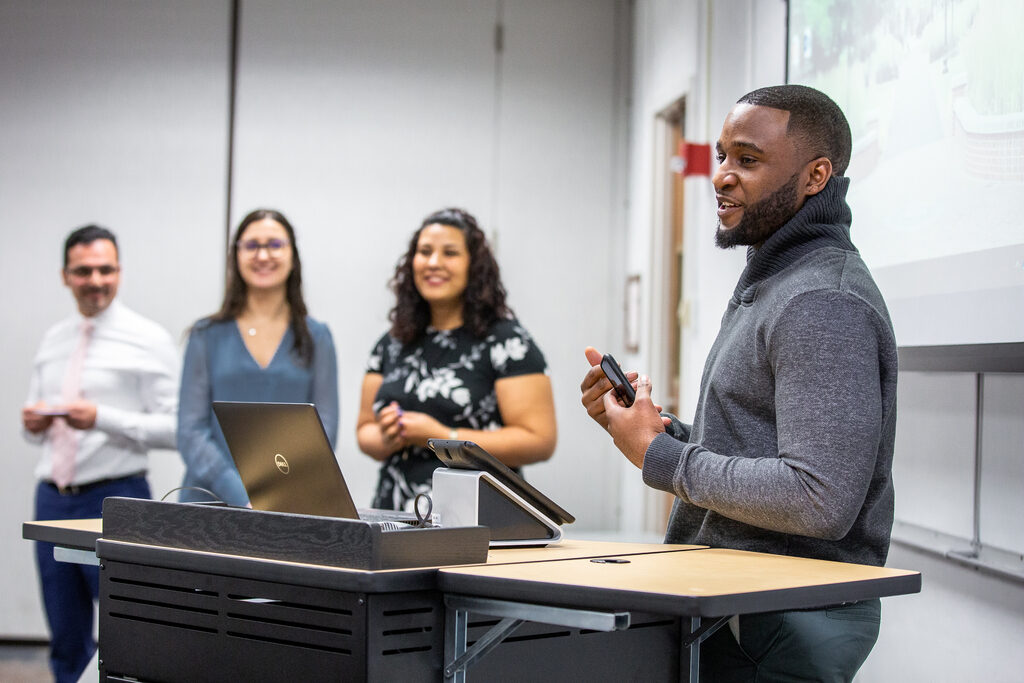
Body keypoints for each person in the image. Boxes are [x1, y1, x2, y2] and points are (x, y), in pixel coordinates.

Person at [580, 85, 897, 681]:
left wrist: (664, 458)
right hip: (751, 606)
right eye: (722, 157)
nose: (723, 177)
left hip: (780, 619)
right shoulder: (780, 280)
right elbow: (764, 447)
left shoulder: (822, 299)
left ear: (815, 175)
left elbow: (818, 497)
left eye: (747, 160)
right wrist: (659, 431)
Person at [21, 225, 178, 683]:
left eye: (105, 269)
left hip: (117, 497)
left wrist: (101, 418)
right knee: (65, 635)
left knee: (127, 634)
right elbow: (37, 424)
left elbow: (175, 429)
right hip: (52, 497)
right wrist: (31, 426)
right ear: (65, 275)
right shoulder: (53, 339)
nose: (96, 280)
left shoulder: (148, 339)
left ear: (120, 271)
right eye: (84, 270)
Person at [357, 208, 557, 510]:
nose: (433, 263)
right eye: (425, 252)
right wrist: (389, 436)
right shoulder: (392, 343)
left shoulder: (508, 342)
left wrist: (442, 437)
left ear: (474, 266)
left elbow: (539, 440)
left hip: (476, 514)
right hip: (395, 512)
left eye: (449, 253)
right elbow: (364, 431)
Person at [177, 209, 338, 505]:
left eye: (275, 245)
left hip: (288, 504)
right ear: (236, 255)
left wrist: (275, 494)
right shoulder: (205, 334)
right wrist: (243, 494)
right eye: (251, 246)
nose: (263, 255)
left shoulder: (318, 337)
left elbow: (324, 429)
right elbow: (191, 432)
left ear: (293, 255)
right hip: (208, 501)